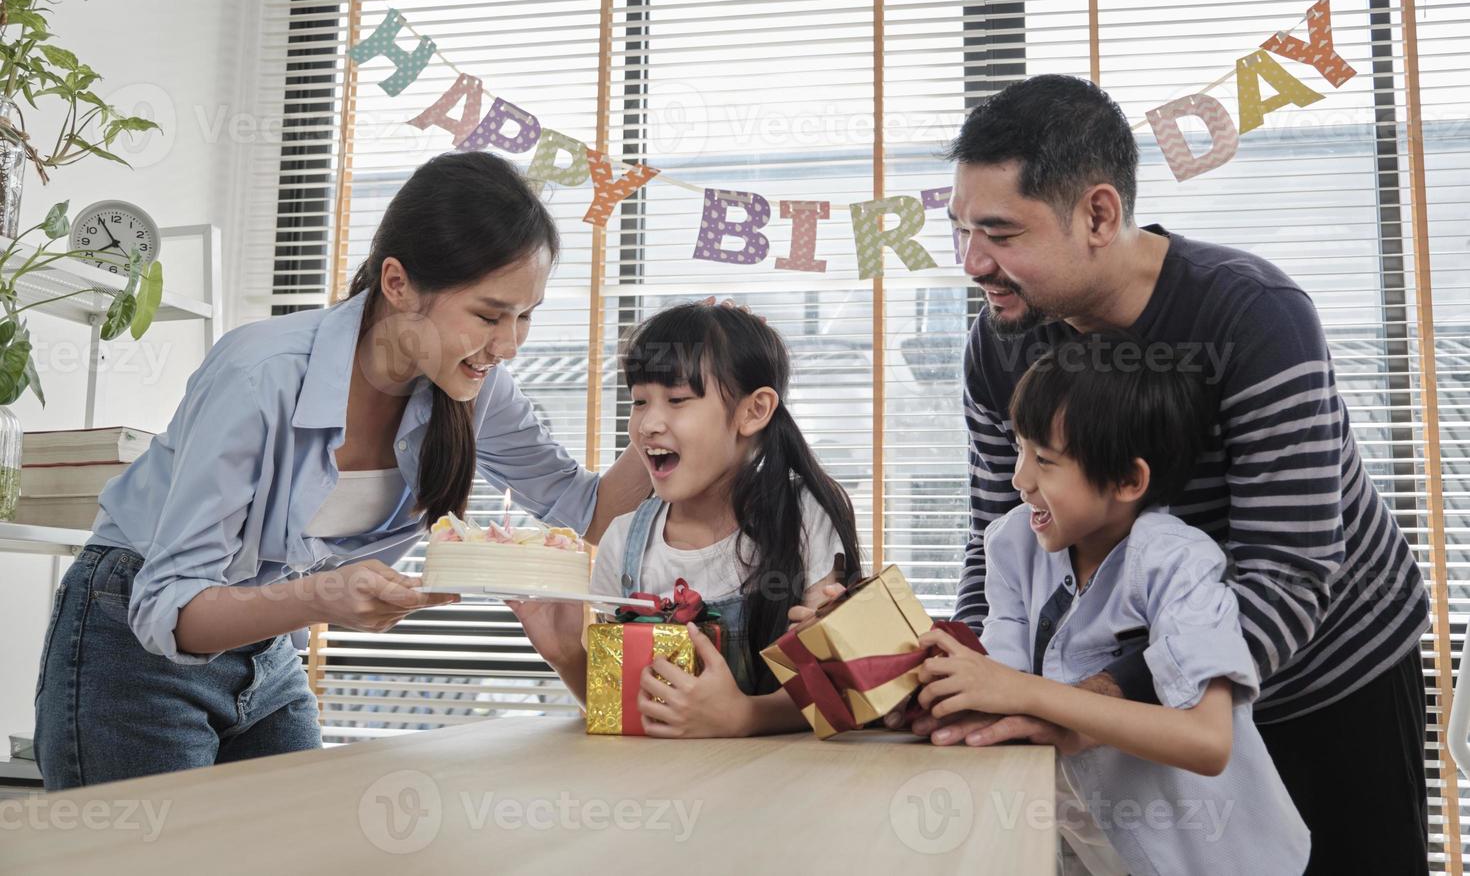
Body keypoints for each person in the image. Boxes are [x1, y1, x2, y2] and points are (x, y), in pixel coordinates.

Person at [925, 73, 1428, 874]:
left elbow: (1289, 572)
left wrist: (1092, 705)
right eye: (959, 230)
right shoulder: (1000, 345)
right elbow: (1002, 550)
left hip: (1327, 671)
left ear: (1098, 214)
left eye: (1000, 233)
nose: (971, 262)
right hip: (1134, 693)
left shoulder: (1251, 315)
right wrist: (982, 681)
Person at [33, 151, 652, 790]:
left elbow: (593, 513)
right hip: (131, 634)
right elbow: (170, 607)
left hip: (266, 648)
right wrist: (320, 598)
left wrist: (666, 407)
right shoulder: (260, 375)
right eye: (489, 315)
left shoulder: (475, 388)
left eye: (526, 316)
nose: (509, 344)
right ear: (397, 283)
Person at [915, 338, 1308, 875]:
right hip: (1094, 847)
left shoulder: (1178, 561)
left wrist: (1030, 692)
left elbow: (1207, 741)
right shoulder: (1012, 544)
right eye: (1020, 449)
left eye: (1046, 461)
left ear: (1128, 480)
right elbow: (998, 680)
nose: (1020, 479)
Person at [515, 302, 862, 737]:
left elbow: (838, 687)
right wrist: (565, 653)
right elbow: (625, 708)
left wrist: (744, 717)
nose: (648, 424)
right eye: (640, 401)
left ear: (753, 411)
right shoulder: (624, 542)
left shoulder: (804, 515)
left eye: (677, 400)